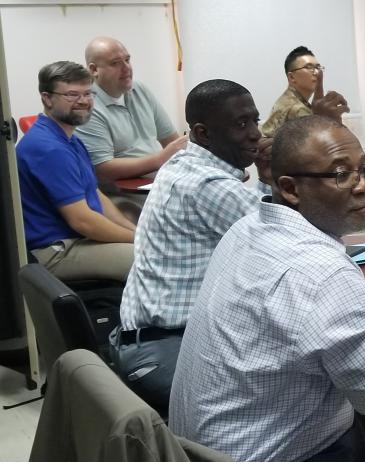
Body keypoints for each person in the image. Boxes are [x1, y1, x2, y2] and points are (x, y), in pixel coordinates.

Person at [170, 115, 365, 462]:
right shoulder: (323, 272)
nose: (363, 186)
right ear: (290, 188)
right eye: (341, 175)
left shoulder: (248, 228)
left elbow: (293, 317)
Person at [120, 79, 264, 337]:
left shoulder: (182, 163)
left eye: (256, 121)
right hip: (172, 341)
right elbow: (287, 240)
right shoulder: (208, 185)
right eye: (241, 124)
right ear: (203, 134)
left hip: (149, 335)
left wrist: (267, 177)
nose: (256, 134)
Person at [262, 45, 365, 237]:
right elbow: (315, 151)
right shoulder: (295, 108)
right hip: (307, 175)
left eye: (318, 67)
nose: (316, 73)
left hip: (300, 173)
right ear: (291, 77)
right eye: (309, 67)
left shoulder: (299, 103)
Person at [17, 61, 135, 282]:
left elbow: (95, 195)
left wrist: (135, 231)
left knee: (151, 247)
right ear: (47, 98)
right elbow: (83, 221)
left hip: (77, 240)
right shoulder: (48, 148)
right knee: (150, 259)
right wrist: (138, 240)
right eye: (72, 95)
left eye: (88, 93)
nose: (83, 101)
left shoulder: (70, 139)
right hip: (57, 252)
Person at [77, 37, 188, 219]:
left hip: (159, 182)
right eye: (115, 63)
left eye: (127, 60)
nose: (126, 68)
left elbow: (172, 141)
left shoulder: (140, 90)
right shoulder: (88, 106)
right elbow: (103, 168)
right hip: (123, 195)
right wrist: (161, 158)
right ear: (94, 70)